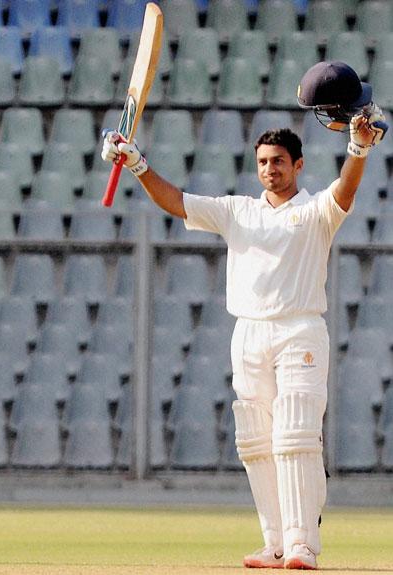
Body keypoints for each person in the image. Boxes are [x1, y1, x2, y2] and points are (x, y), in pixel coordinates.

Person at [101, 61, 387, 570]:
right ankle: (276, 541)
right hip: (249, 332)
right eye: (263, 162)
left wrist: (359, 148)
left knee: (295, 435)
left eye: (278, 161)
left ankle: (303, 544)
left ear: (297, 166)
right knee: (255, 439)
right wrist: (138, 163)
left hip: (299, 327)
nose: (270, 169)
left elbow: (346, 190)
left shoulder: (317, 210)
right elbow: (176, 201)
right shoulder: (238, 211)